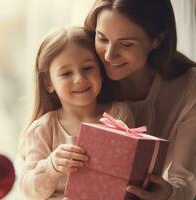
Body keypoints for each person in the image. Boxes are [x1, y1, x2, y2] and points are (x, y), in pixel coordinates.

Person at [84, 0, 196, 199]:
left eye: (126, 44)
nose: (109, 56)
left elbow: (185, 181)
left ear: (158, 40)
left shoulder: (188, 87)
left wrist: (168, 193)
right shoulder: (82, 73)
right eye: (102, 38)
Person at [17, 26, 134, 199]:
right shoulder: (43, 130)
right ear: (49, 82)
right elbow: (30, 190)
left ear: (101, 71)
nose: (79, 78)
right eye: (66, 73)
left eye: (87, 68)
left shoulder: (119, 115)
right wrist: (52, 166)